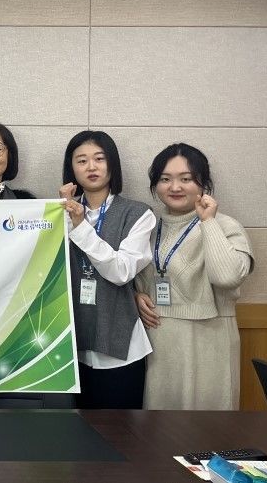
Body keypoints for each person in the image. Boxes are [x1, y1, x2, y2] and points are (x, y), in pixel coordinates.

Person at [134, 143, 253, 410]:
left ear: (203, 183)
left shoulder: (226, 225)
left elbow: (228, 277)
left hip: (210, 341)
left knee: (207, 426)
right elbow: (134, 276)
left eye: (186, 179)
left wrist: (208, 222)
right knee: (160, 426)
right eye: (165, 179)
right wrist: (136, 295)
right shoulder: (148, 226)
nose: (175, 187)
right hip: (159, 340)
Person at [59, 130, 156, 409]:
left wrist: (80, 227)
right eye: (82, 160)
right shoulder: (58, 213)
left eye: (99, 159)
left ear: (112, 164)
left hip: (119, 345)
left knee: (120, 430)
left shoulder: (138, 213)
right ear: (72, 169)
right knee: (74, 430)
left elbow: (121, 271)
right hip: (70, 346)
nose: (91, 167)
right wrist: (62, 214)